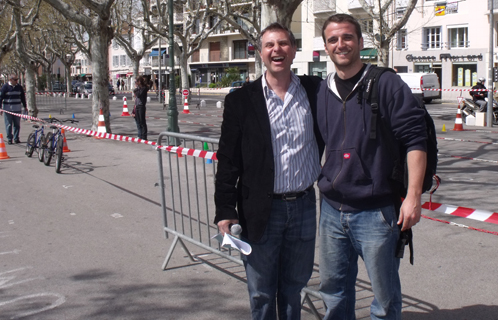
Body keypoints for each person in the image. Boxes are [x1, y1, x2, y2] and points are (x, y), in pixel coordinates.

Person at [317, 14, 427, 320]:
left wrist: (414, 196)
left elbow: (415, 140)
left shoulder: (386, 83)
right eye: (333, 39)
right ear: (326, 47)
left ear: (360, 42)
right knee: (334, 293)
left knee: (384, 299)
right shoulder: (322, 90)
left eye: (348, 37)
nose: (341, 44)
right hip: (331, 210)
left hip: (376, 213)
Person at [214, 23, 324, 320]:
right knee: (262, 292)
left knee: (293, 288)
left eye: (284, 44)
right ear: (261, 53)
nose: (277, 50)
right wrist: (225, 208)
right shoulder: (240, 101)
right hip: (260, 209)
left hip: (303, 206)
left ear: (293, 49)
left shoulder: (315, 91)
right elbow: (228, 159)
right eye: (269, 45)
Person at [0, 74, 27, 144]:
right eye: (15, 80)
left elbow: (22, 98)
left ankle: (16, 138)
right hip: (8, 109)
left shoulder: (19, 87)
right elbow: (0, 98)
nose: (17, 81)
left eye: (17, 79)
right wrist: (0, 108)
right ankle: (9, 138)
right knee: (8, 124)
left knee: (17, 125)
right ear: (10, 80)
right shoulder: (5, 87)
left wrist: (25, 106)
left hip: (17, 109)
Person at [132, 76, 149, 140]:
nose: (135, 83)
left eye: (136, 81)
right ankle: (140, 135)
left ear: (139, 82)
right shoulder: (139, 88)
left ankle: (144, 136)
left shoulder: (144, 88)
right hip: (137, 106)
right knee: (138, 121)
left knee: (142, 121)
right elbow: (136, 97)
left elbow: (139, 94)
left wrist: (136, 89)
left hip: (141, 106)